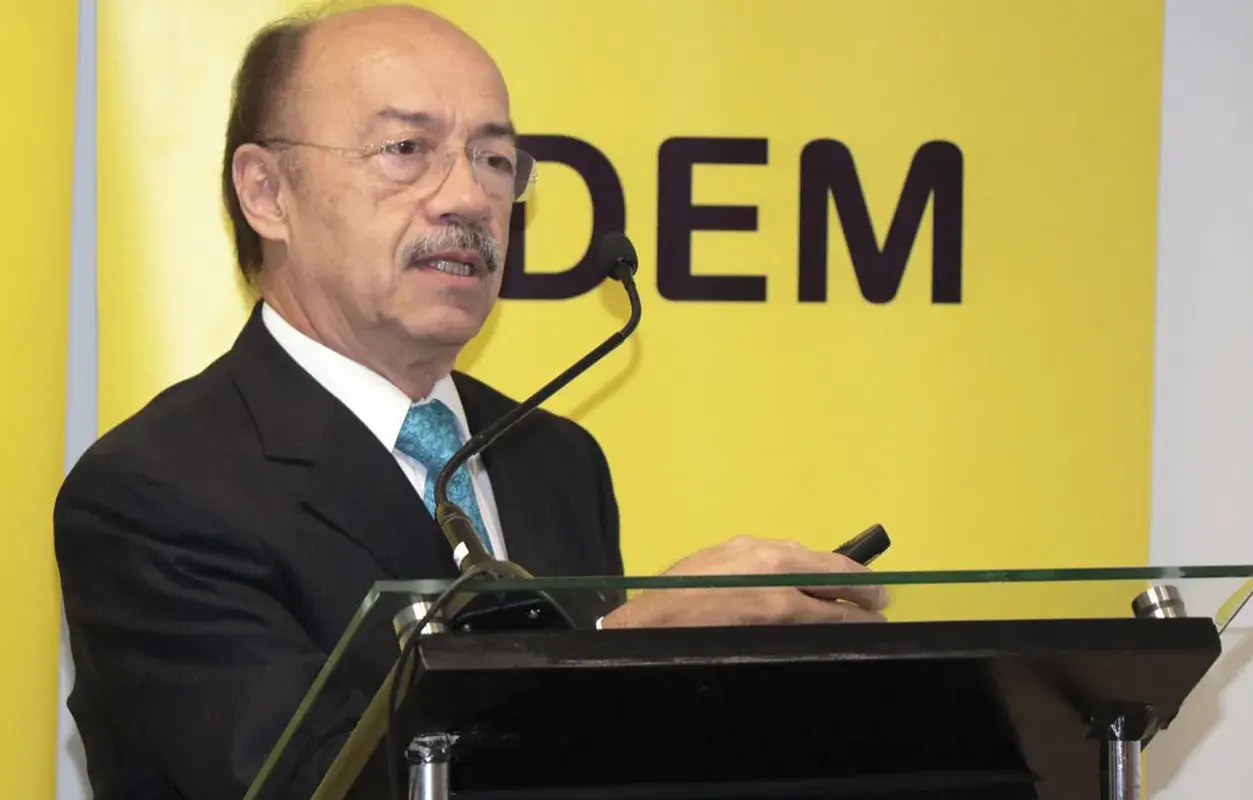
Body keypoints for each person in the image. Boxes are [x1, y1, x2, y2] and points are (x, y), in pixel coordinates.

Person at [54, 4, 887, 799]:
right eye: (405, 149)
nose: (466, 198)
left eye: (494, 160)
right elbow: (313, 783)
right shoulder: (156, 493)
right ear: (268, 192)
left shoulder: (552, 459)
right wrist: (627, 646)